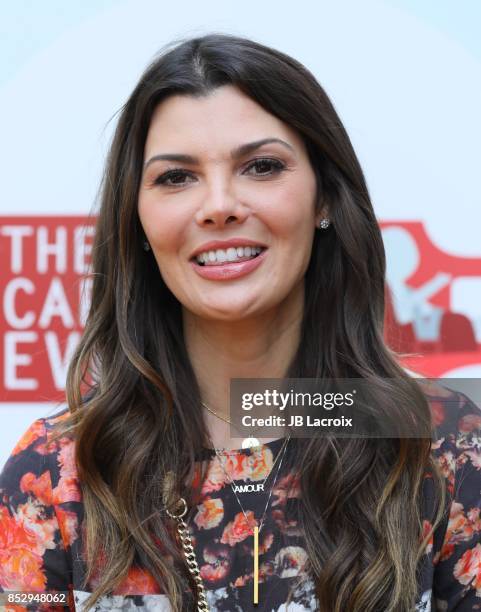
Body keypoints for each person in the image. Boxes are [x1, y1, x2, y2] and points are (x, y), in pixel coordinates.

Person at [1, 33, 480, 612]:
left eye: (261, 166)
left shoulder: (440, 447)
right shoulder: (59, 474)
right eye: (176, 177)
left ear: (324, 198)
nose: (219, 204)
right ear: (138, 222)